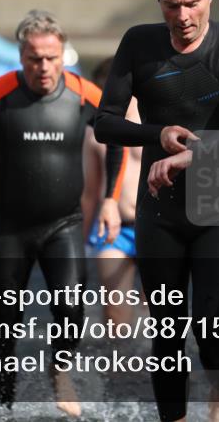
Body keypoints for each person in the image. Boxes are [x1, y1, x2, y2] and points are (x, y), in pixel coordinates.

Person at [0, 11, 126, 414]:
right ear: (21, 56)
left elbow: (118, 138)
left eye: (51, 58)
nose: (44, 67)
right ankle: (4, 410)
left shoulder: (85, 94)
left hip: (64, 225)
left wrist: (109, 199)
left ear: (62, 55)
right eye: (35, 58)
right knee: (5, 327)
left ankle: (59, 366)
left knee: (72, 310)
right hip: (10, 230)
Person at [93, 0, 219, 422]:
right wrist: (159, 135)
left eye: (192, 3)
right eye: (171, 5)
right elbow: (105, 123)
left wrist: (195, 153)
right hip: (160, 209)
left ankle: (218, 396)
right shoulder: (138, 44)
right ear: (160, 3)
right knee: (167, 331)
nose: (183, 16)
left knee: (211, 327)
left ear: (209, 0)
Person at [83, 56, 141, 325]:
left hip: (156, 226)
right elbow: (90, 192)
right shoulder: (94, 132)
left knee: (160, 309)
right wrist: (79, 242)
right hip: (113, 231)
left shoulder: (156, 121)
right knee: (116, 317)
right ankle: (119, 365)